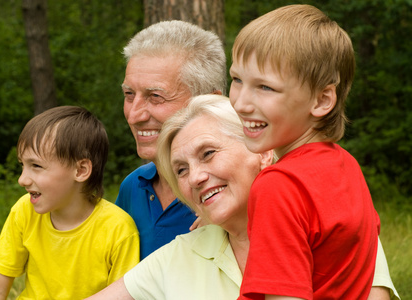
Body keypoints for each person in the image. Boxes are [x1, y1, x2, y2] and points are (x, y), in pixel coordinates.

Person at [85, 95, 399, 300]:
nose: (195, 177)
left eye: (208, 154)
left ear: (262, 152)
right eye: (181, 170)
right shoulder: (180, 255)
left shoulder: (336, 226)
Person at [229, 5, 381, 299]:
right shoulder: (347, 166)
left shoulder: (280, 185)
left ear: (322, 100)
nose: (240, 103)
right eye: (237, 80)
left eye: (265, 87)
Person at [0, 106, 140, 299]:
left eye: (36, 166)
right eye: (23, 165)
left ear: (80, 170)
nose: (22, 179)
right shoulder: (24, 210)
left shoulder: (118, 228)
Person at [116, 19, 227, 259]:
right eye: (128, 94)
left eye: (155, 96)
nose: (134, 115)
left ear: (210, 100)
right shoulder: (132, 187)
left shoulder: (236, 192)